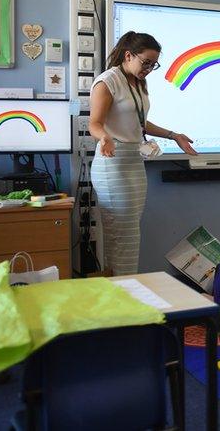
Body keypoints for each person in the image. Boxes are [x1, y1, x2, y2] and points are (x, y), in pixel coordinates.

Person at [88, 31, 197, 275]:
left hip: (133, 162)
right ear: (128, 55)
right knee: (121, 235)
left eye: (153, 64)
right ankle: (121, 292)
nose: (148, 69)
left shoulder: (138, 82)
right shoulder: (108, 81)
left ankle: (125, 289)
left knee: (129, 234)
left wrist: (173, 135)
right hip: (112, 163)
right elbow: (94, 122)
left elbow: (140, 122)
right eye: (145, 62)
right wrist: (104, 136)